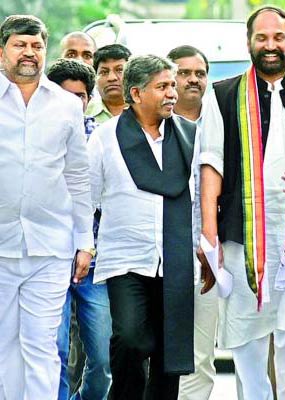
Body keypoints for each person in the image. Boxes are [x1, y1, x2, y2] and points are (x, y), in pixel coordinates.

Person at [197, 6, 285, 399]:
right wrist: (210, 240)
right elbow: (212, 167)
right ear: (249, 43)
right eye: (262, 38)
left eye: (278, 37)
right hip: (242, 237)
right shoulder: (223, 95)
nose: (270, 45)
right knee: (245, 342)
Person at [88, 54, 196, 399]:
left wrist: (205, 249)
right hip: (126, 260)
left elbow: (200, 199)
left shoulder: (190, 136)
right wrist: (82, 244)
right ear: (136, 93)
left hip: (176, 262)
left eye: (172, 86)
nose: (172, 94)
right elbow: (85, 198)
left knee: (169, 354)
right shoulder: (106, 138)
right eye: (162, 87)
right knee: (132, 341)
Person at [0, 15, 94, 400]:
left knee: (41, 345)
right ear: (2, 49)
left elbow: (77, 176)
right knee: (5, 344)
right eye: (20, 44)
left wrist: (85, 241)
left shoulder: (66, 105)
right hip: (1, 244)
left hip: (52, 246)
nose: (29, 53)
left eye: (36, 45)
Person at [47, 58, 112, 400]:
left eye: (81, 96)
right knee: (54, 350)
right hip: (50, 260)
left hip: (95, 264)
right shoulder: (35, 137)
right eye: (66, 96)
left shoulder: (104, 138)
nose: (74, 104)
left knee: (102, 358)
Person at [167, 44, 217, 400]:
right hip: (161, 256)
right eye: (184, 73)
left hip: (210, 255)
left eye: (199, 73)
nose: (192, 80)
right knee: (158, 349)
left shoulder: (222, 123)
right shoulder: (154, 127)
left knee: (201, 353)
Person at [86, 44, 131, 124]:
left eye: (120, 70)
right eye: (104, 72)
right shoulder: (85, 113)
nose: (111, 78)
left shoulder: (147, 111)